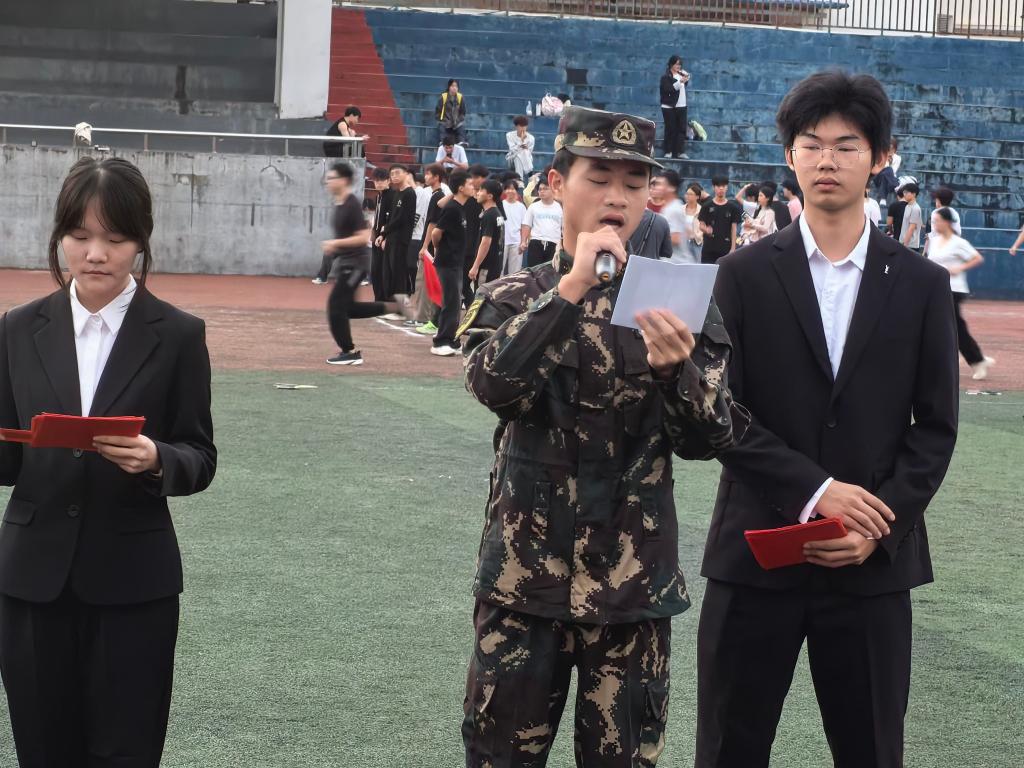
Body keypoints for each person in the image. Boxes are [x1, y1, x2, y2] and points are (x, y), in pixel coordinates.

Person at [457, 104, 744, 768]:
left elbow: (710, 436)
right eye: (599, 177)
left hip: (631, 590)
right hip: (525, 586)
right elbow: (493, 387)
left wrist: (676, 370)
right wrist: (570, 290)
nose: (617, 197)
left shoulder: (675, 303)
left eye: (634, 183)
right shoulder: (514, 295)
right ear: (558, 183)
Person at [696, 70, 959, 768]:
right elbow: (722, 411)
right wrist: (816, 493)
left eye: (847, 146)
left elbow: (935, 427)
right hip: (756, 556)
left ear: (880, 157)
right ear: (790, 156)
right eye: (811, 145)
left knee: (870, 751)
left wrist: (879, 526)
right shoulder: (743, 273)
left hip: (871, 567)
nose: (827, 160)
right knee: (728, 750)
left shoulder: (923, 284)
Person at [0, 156, 217, 766]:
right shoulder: (17, 329)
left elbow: (199, 455)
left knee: (127, 750)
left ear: (141, 241)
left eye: (115, 239)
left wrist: (156, 458)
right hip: (31, 579)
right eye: (79, 236)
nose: (96, 254)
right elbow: (7, 459)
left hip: (134, 583)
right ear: (59, 237)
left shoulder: (179, 334)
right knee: (44, 750)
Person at [323, 164, 405, 365]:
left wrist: (335, 244)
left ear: (344, 180)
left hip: (355, 264)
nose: (328, 182)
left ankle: (350, 352)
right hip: (346, 263)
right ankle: (395, 307)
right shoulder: (340, 204)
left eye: (332, 178)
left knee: (335, 307)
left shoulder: (351, 204)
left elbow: (362, 237)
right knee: (349, 308)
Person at [928, 207, 994, 380]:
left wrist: (960, 268)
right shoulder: (934, 241)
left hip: (954, 289)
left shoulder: (958, 242)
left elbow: (977, 258)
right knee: (939, 327)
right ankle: (971, 358)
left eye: (937, 221)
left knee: (957, 328)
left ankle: (978, 361)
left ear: (947, 222)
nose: (935, 224)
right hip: (937, 289)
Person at [429, 170, 474, 356]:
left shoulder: (459, 206)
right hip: (447, 262)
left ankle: (451, 340)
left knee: (455, 302)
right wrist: (439, 248)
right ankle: (441, 341)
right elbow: (435, 233)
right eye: (469, 184)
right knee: (450, 302)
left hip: (456, 262)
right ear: (461, 188)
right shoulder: (453, 209)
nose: (473, 187)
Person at [375, 165, 417, 318]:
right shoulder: (397, 193)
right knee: (390, 274)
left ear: (406, 174)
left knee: (399, 275)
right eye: (392, 173)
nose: (394, 176)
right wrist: (384, 235)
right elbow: (392, 217)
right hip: (392, 239)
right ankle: (394, 307)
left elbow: (401, 218)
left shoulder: (409, 194)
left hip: (401, 241)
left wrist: (384, 231)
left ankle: (402, 310)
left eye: (397, 173)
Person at [415, 164, 451, 335]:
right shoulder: (436, 195)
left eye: (428, 174)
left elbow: (433, 223)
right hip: (432, 245)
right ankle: (424, 316)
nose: (426, 177)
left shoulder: (438, 196)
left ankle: (424, 317)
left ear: (437, 177)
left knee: (425, 281)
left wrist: (424, 246)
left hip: (431, 246)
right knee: (425, 281)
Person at [467, 179, 505, 287]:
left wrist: (475, 266)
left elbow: (486, 242)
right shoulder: (497, 213)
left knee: (481, 295)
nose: (477, 193)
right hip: (496, 265)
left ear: (489, 196)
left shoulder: (488, 215)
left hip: (486, 268)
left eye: (481, 190)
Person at [519, 180, 563, 269]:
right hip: (536, 242)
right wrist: (523, 241)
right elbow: (526, 224)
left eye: (545, 189)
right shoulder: (533, 206)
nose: (542, 191)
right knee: (534, 271)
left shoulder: (559, 208)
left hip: (554, 243)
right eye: (540, 189)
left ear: (552, 190)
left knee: (550, 271)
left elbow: (564, 228)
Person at [698, 175, 741, 263]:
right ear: (714, 187)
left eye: (723, 186)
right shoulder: (706, 206)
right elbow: (701, 225)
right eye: (718, 186)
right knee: (707, 270)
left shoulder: (733, 207)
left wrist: (733, 249)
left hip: (726, 249)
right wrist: (706, 230)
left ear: (727, 187)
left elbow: (734, 229)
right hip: (709, 248)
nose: (721, 188)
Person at [659, 54, 690, 159]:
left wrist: (685, 78)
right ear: (671, 64)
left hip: (682, 105)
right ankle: (668, 151)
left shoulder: (681, 75)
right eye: (676, 64)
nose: (678, 66)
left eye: (680, 64)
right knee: (670, 129)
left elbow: (685, 83)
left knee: (681, 129)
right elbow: (669, 89)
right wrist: (680, 82)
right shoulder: (665, 77)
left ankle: (680, 152)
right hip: (669, 106)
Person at [657, 170, 691, 264]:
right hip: (670, 262)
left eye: (661, 184)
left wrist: (652, 236)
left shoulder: (674, 209)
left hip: (677, 263)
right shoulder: (668, 207)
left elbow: (676, 238)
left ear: (672, 188)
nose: (657, 188)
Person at [369, 167, 392, 299]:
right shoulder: (379, 196)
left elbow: (392, 219)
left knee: (383, 271)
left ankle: (384, 299)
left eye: (382, 180)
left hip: (385, 239)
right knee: (375, 271)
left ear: (388, 181)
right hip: (376, 238)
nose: (378, 183)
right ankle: (378, 298)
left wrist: (385, 237)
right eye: (376, 181)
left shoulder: (392, 196)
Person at [501, 182, 527, 275]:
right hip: (502, 241)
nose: (510, 191)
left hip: (516, 241)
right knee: (499, 269)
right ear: (504, 191)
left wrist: (523, 241)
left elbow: (524, 225)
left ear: (516, 191)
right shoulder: (500, 205)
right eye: (508, 188)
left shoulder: (521, 207)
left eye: (513, 189)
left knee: (515, 271)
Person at [435, 78, 467, 145]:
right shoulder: (443, 97)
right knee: (441, 126)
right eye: (452, 86)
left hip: (456, 123)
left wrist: (457, 121)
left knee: (461, 126)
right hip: (445, 122)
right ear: (449, 87)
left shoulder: (460, 97)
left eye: (456, 86)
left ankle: (461, 142)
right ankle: (442, 142)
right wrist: (443, 120)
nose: (454, 88)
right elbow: (437, 112)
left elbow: (463, 113)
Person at [681, 182, 704, 263]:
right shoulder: (681, 209)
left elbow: (703, 226)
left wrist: (697, 236)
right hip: (682, 242)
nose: (687, 196)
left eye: (690, 194)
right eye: (686, 194)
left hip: (696, 242)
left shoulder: (702, 210)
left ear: (697, 197)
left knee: (696, 265)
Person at [899, 181, 923, 252]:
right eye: (904, 192)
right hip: (903, 242)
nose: (904, 194)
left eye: (906, 192)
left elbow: (911, 228)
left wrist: (905, 245)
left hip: (910, 245)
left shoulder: (915, 208)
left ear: (914, 194)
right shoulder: (907, 206)